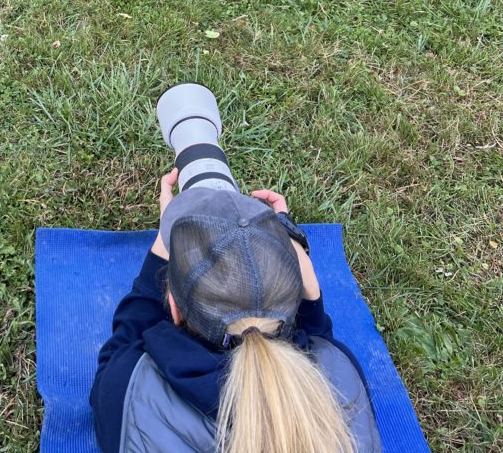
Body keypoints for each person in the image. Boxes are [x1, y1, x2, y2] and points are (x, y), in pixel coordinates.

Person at [90, 169, 382, 453]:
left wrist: (161, 248)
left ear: (174, 310)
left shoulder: (127, 388)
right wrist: (304, 283)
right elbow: (321, 352)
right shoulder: (343, 380)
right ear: (294, 305)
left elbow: (117, 356)